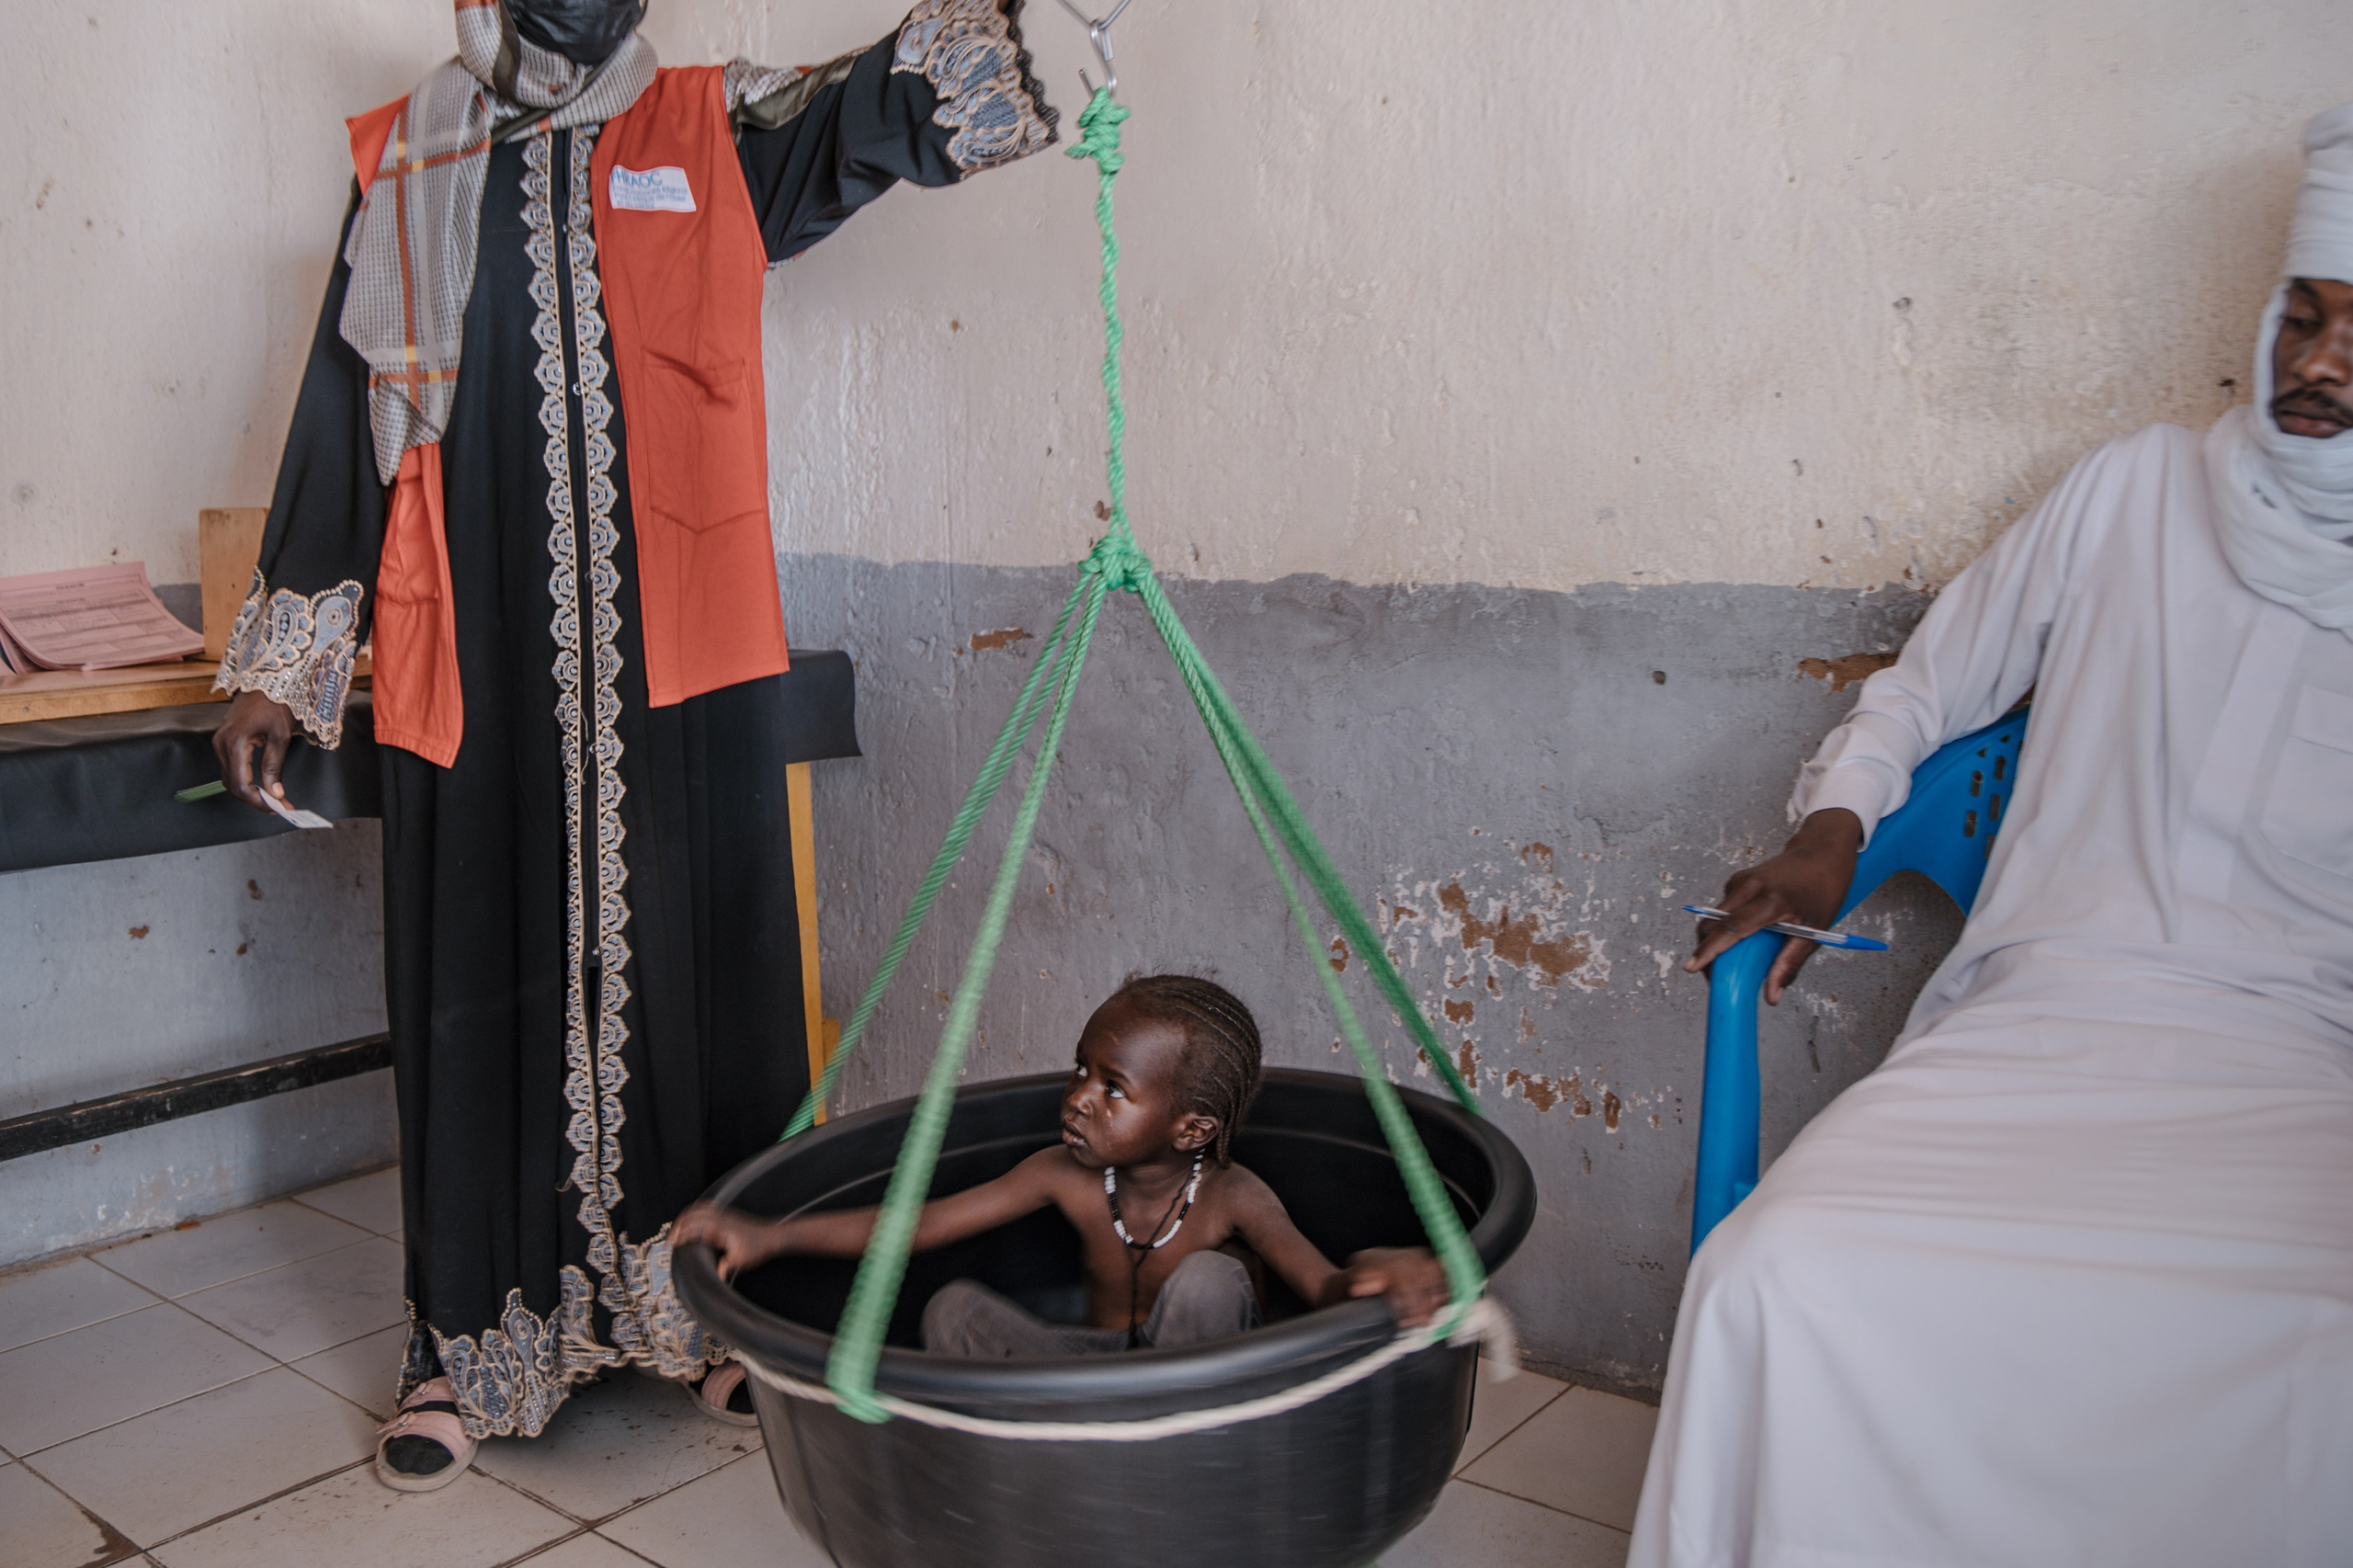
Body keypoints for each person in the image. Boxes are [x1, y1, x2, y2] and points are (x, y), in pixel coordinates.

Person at [207, 0, 1056, 1491]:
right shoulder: (409, 160)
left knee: (704, 970)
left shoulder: (708, 130)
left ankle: (712, 1314)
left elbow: (871, 115)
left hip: (680, 659)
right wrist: (287, 656)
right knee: (476, 973)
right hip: (469, 642)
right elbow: (345, 408)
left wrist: (1031, 24)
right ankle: (464, 1342)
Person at [1631, 108, 2353, 1565]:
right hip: (2044, 1017)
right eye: (2307, 316)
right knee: (1779, 1271)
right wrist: (1835, 827)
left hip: (2301, 1062)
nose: (2320, 365)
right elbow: (1930, 686)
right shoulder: (2137, 490)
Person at [674, 974, 1451, 1354]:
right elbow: (915, 1222)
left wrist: (1378, 1272)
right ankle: (1050, 1450)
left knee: (1214, 1279)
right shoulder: (1062, 1173)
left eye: (1114, 1089)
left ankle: (1156, 1455)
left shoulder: (1233, 1198)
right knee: (953, 1311)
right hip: (1084, 1378)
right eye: (1082, 1070)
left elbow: (1323, 1289)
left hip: (1204, 1388)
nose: (1078, 1098)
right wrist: (772, 1235)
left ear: (1190, 1128)